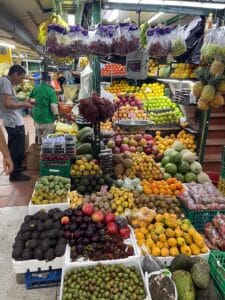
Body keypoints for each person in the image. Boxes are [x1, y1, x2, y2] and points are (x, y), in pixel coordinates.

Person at [0, 64, 34, 182]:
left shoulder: (8, 82)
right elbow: (7, 104)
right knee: (16, 148)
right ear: (15, 74)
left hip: (14, 121)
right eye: (21, 77)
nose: (21, 81)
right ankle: (15, 174)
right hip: (13, 122)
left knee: (17, 147)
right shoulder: (5, 82)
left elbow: (10, 102)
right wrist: (24, 104)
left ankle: (17, 169)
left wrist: (24, 101)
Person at [30, 72, 59, 144]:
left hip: (37, 118)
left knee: (39, 137)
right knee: (47, 140)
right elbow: (53, 106)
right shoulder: (50, 90)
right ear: (48, 81)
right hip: (47, 119)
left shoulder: (35, 88)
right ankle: (45, 153)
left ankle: (39, 150)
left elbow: (30, 100)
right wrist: (56, 115)